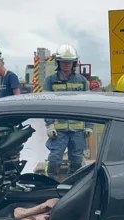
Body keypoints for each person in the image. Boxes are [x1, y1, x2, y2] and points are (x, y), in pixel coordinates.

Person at [42, 44, 93, 181]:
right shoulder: (50, 81)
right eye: (63, 62)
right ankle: (50, 183)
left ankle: (71, 185)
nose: (66, 64)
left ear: (74, 63)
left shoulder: (82, 81)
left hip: (78, 130)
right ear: (58, 63)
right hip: (59, 130)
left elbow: (88, 106)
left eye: (69, 62)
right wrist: (49, 125)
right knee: (54, 159)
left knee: (76, 160)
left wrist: (89, 125)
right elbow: (46, 104)